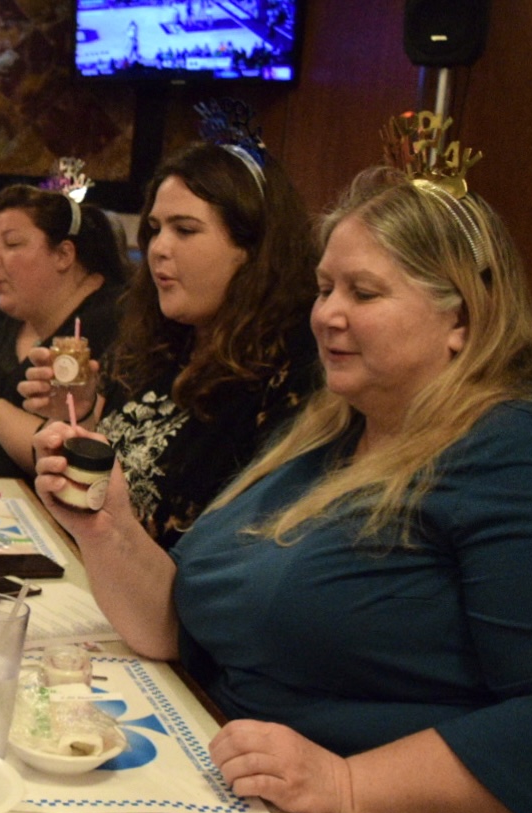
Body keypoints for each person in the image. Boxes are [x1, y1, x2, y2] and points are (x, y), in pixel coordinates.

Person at [34, 161, 532, 813]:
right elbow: (182, 626)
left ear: (461, 318)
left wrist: (343, 786)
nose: (327, 314)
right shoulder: (329, 432)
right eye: (323, 288)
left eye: (363, 292)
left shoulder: (513, 448)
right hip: (235, 801)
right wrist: (105, 524)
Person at [19, 143, 319, 547]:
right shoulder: (166, 347)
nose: (158, 247)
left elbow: (227, 556)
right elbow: (98, 500)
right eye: (156, 229)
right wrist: (76, 418)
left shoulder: (288, 374)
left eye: (185, 230)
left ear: (253, 248)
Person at [0, 184, 130, 482]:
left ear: (64, 255)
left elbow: (64, 458)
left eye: (12, 244)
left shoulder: (115, 321)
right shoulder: (12, 317)